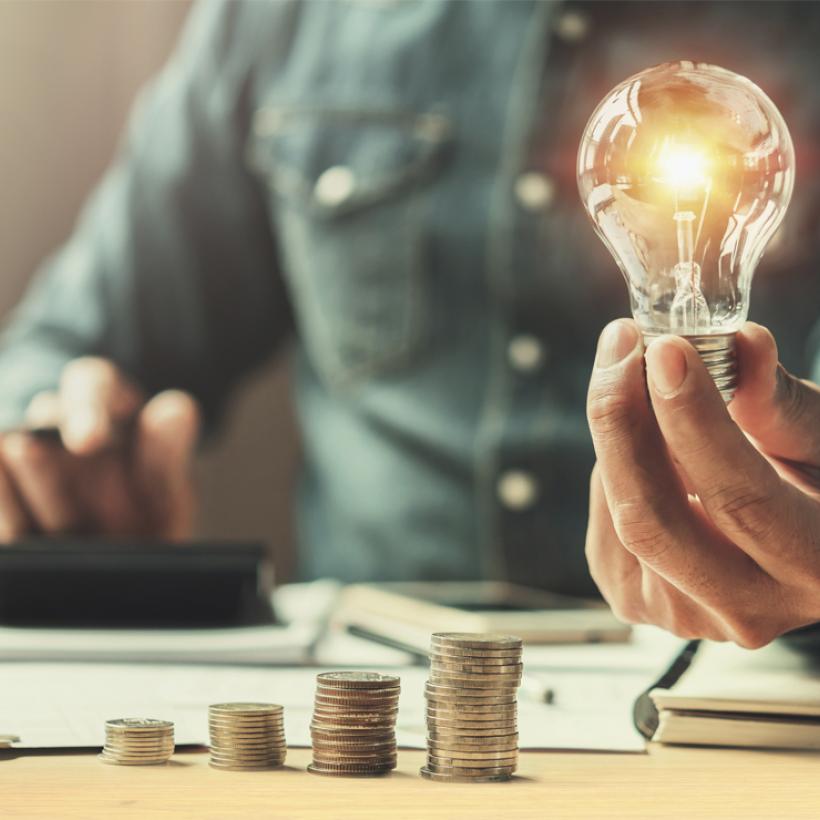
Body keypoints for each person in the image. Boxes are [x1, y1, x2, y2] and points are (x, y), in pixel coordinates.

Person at [1, 0, 820, 643]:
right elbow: (66, 348)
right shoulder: (283, 16)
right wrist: (59, 457)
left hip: (753, 701)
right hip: (382, 691)